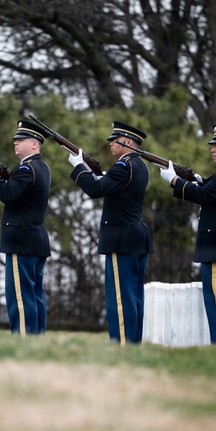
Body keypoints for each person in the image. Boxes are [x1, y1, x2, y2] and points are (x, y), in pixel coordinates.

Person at [161, 124, 216, 344]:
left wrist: (175, 180)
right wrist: (199, 181)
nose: (212, 149)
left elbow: (203, 195)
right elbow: (211, 190)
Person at [68, 121, 154, 345]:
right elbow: (111, 186)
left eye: (114, 141)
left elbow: (96, 190)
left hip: (121, 239)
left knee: (120, 296)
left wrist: (79, 168)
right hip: (136, 237)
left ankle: (122, 343)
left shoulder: (123, 166)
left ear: (127, 142)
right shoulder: (139, 165)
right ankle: (132, 341)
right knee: (133, 296)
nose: (110, 145)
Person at [0, 119, 51, 335]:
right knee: (34, 294)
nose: (15, 142)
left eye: (21, 139)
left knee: (20, 294)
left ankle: (24, 337)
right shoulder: (40, 167)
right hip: (34, 239)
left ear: (35, 143)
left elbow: (8, 194)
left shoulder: (28, 168)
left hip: (22, 241)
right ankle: (37, 336)